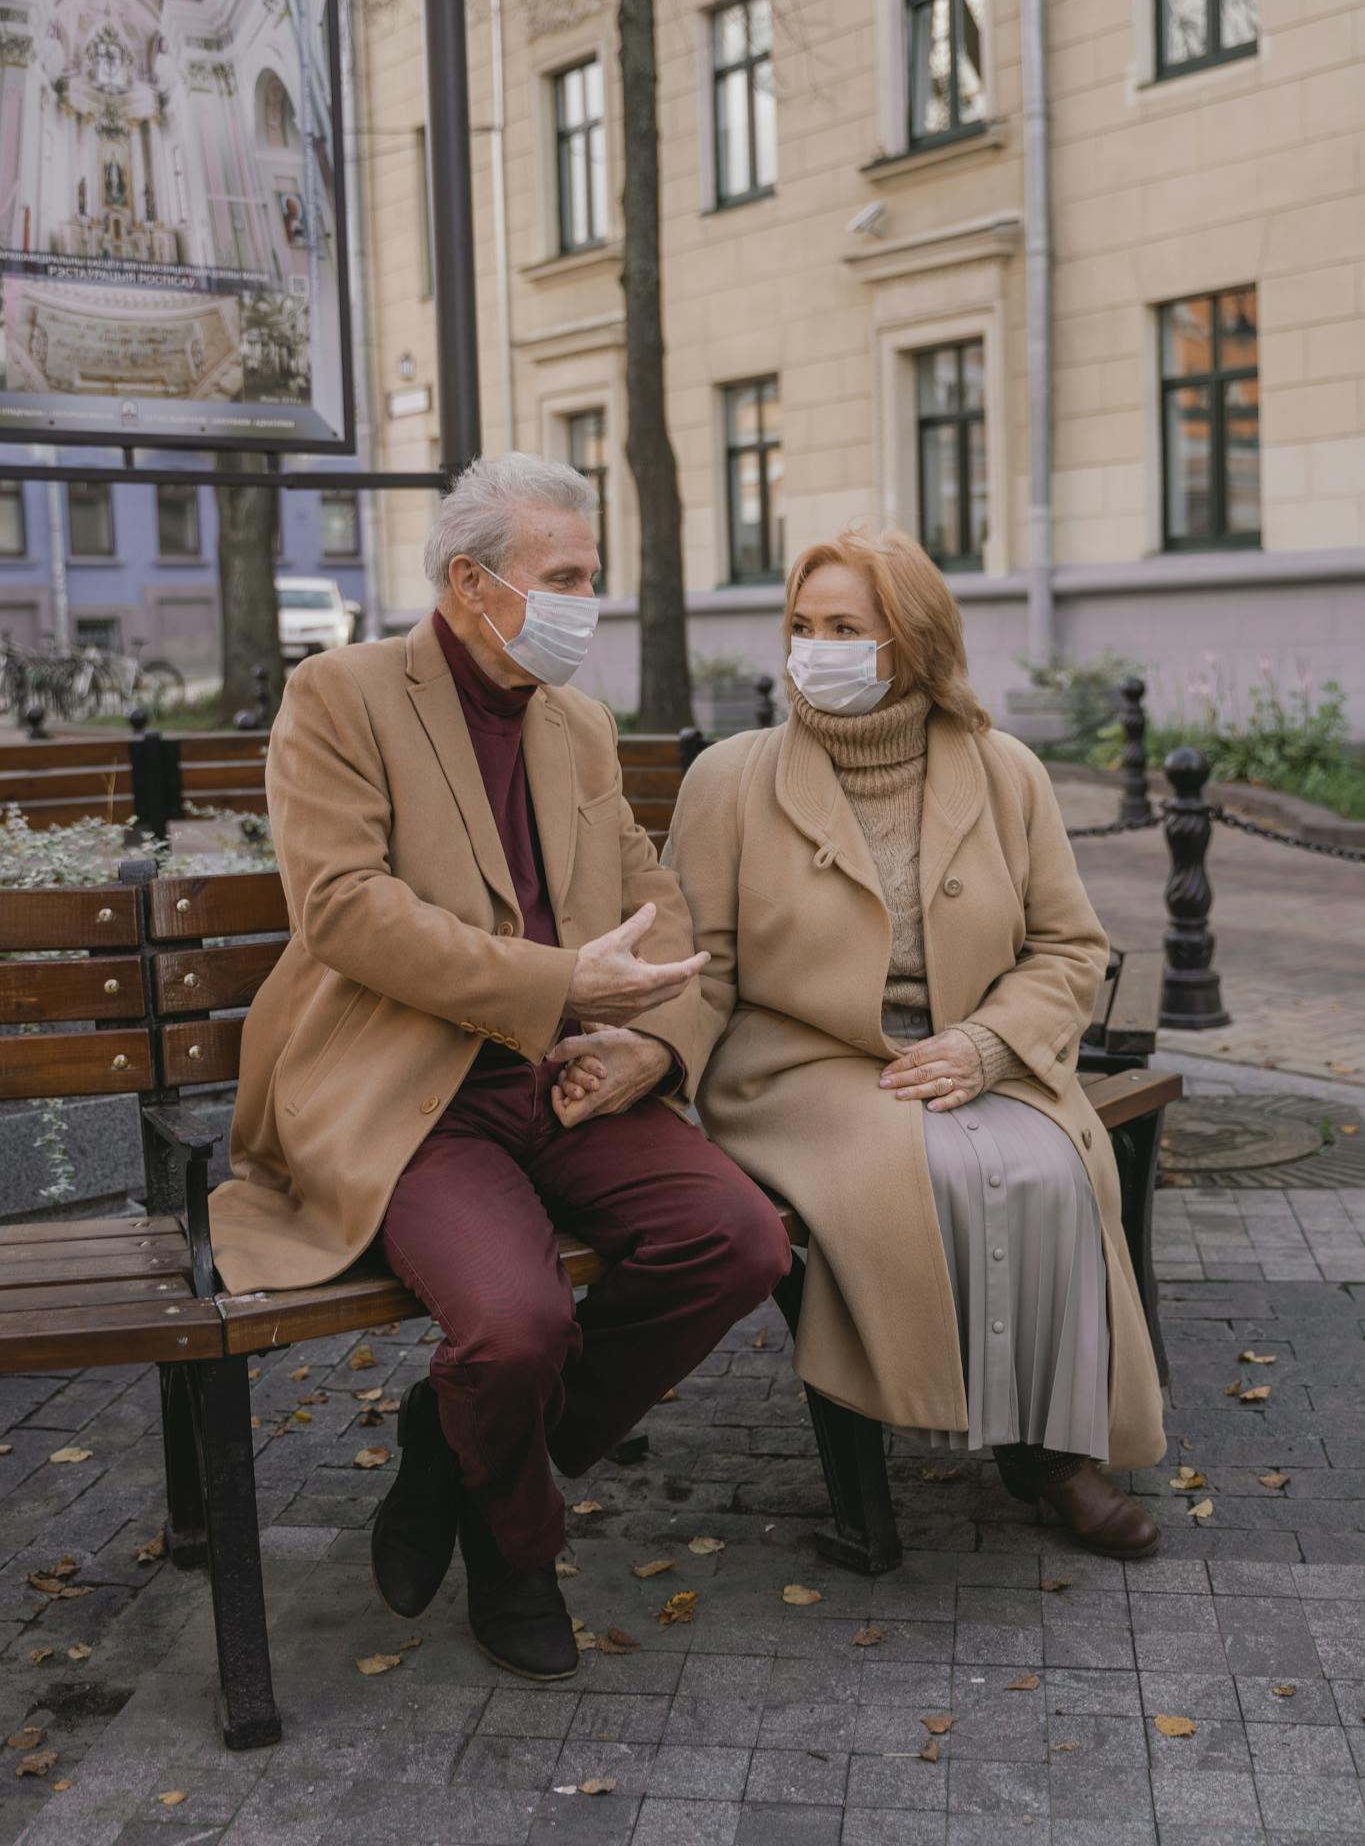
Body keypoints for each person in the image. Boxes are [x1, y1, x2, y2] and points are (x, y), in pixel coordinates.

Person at [211, 454, 792, 1681]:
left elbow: (658, 901)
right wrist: (554, 984)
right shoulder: (342, 694)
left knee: (740, 1241)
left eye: (594, 573)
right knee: (517, 1324)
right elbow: (344, 909)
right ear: (475, 584)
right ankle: (517, 1546)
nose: (591, 599)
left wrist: (646, 1042)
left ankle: (455, 1445)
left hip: (572, 1077)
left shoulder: (572, 722)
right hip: (410, 1095)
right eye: (568, 576)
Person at [621, 527, 1165, 1554]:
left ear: (909, 643)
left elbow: (1068, 946)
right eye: (800, 624)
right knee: (932, 1164)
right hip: (800, 1064)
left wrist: (988, 1042)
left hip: (969, 1049)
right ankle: (936, 1413)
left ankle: (1051, 1449)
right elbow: (706, 967)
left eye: (844, 627)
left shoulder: (1004, 771)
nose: (813, 646)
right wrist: (655, 1056)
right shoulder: (732, 779)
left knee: (1049, 1164)